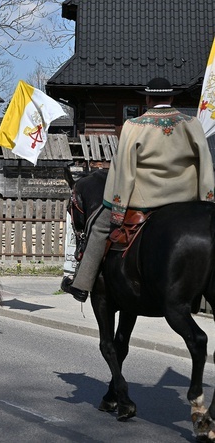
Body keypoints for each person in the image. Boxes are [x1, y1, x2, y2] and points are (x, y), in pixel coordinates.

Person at [62, 77, 215, 302]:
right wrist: (207, 201)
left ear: (148, 98)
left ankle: (82, 285)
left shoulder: (134, 126)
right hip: (188, 200)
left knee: (99, 227)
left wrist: (117, 208)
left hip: (146, 200)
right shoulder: (192, 124)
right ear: (171, 97)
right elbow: (205, 163)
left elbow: (123, 170)